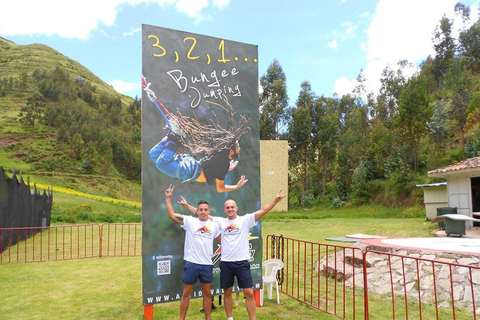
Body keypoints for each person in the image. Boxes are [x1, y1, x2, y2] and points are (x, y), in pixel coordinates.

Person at [180, 190, 286, 320]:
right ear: (224, 210)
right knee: (227, 292)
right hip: (226, 263)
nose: (230, 209)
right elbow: (201, 214)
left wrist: (275, 201)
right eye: (227, 207)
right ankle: (230, 318)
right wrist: (186, 205)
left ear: (236, 208)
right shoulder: (220, 221)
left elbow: (262, 211)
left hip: (242, 262)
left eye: (232, 207)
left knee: (249, 293)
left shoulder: (245, 220)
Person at [165, 184, 221, 320]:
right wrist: (168, 198)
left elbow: (223, 241)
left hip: (207, 264)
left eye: (205, 210)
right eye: (200, 209)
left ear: (209, 211)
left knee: (207, 294)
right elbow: (172, 215)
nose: (203, 212)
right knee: (186, 293)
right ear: (197, 211)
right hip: (192, 264)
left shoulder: (214, 226)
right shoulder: (190, 221)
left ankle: (208, 318)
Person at [150, 131, 247, 193]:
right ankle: (174, 138)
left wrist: (226, 169)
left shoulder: (219, 154)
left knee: (153, 155)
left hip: (190, 163)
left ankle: (170, 137)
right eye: (238, 147)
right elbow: (220, 188)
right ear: (231, 151)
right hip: (189, 171)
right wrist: (236, 187)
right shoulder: (224, 164)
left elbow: (212, 168)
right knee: (161, 164)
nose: (240, 148)